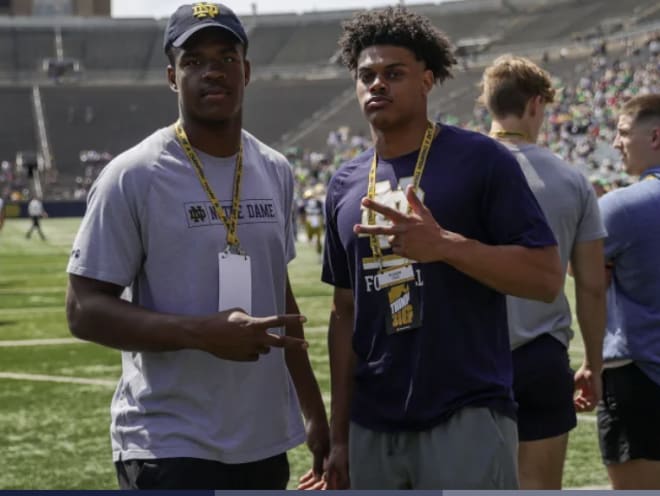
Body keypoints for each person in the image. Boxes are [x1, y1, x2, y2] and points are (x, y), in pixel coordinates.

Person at [65, 2, 328, 490]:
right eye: (194, 60)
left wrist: (313, 413)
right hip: (168, 441)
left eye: (226, 58)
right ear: (172, 76)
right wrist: (199, 332)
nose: (213, 72)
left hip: (263, 440)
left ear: (246, 71)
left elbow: (279, 293)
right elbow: (83, 310)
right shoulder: (133, 174)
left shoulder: (275, 169)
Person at [318, 7, 562, 490]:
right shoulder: (344, 183)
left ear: (427, 80)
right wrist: (339, 433)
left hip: (465, 411)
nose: (377, 85)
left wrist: (445, 245)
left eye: (394, 73)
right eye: (366, 76)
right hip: (371, 423)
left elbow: (546, 277)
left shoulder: (481, 159)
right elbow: (344, 312)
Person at [481, 55, 607, 489]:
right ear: (535, 105)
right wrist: (593, 361)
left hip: (470, 354)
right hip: (540, 355)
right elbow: (591, 286)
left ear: (489, 104)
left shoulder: (458, 168)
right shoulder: (571, 178)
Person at [597, 93, 660, 489]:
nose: (616, 142)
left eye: (622, 132)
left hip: (639, 375)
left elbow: (583, 276)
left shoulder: (622, 206)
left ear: (655, 137)